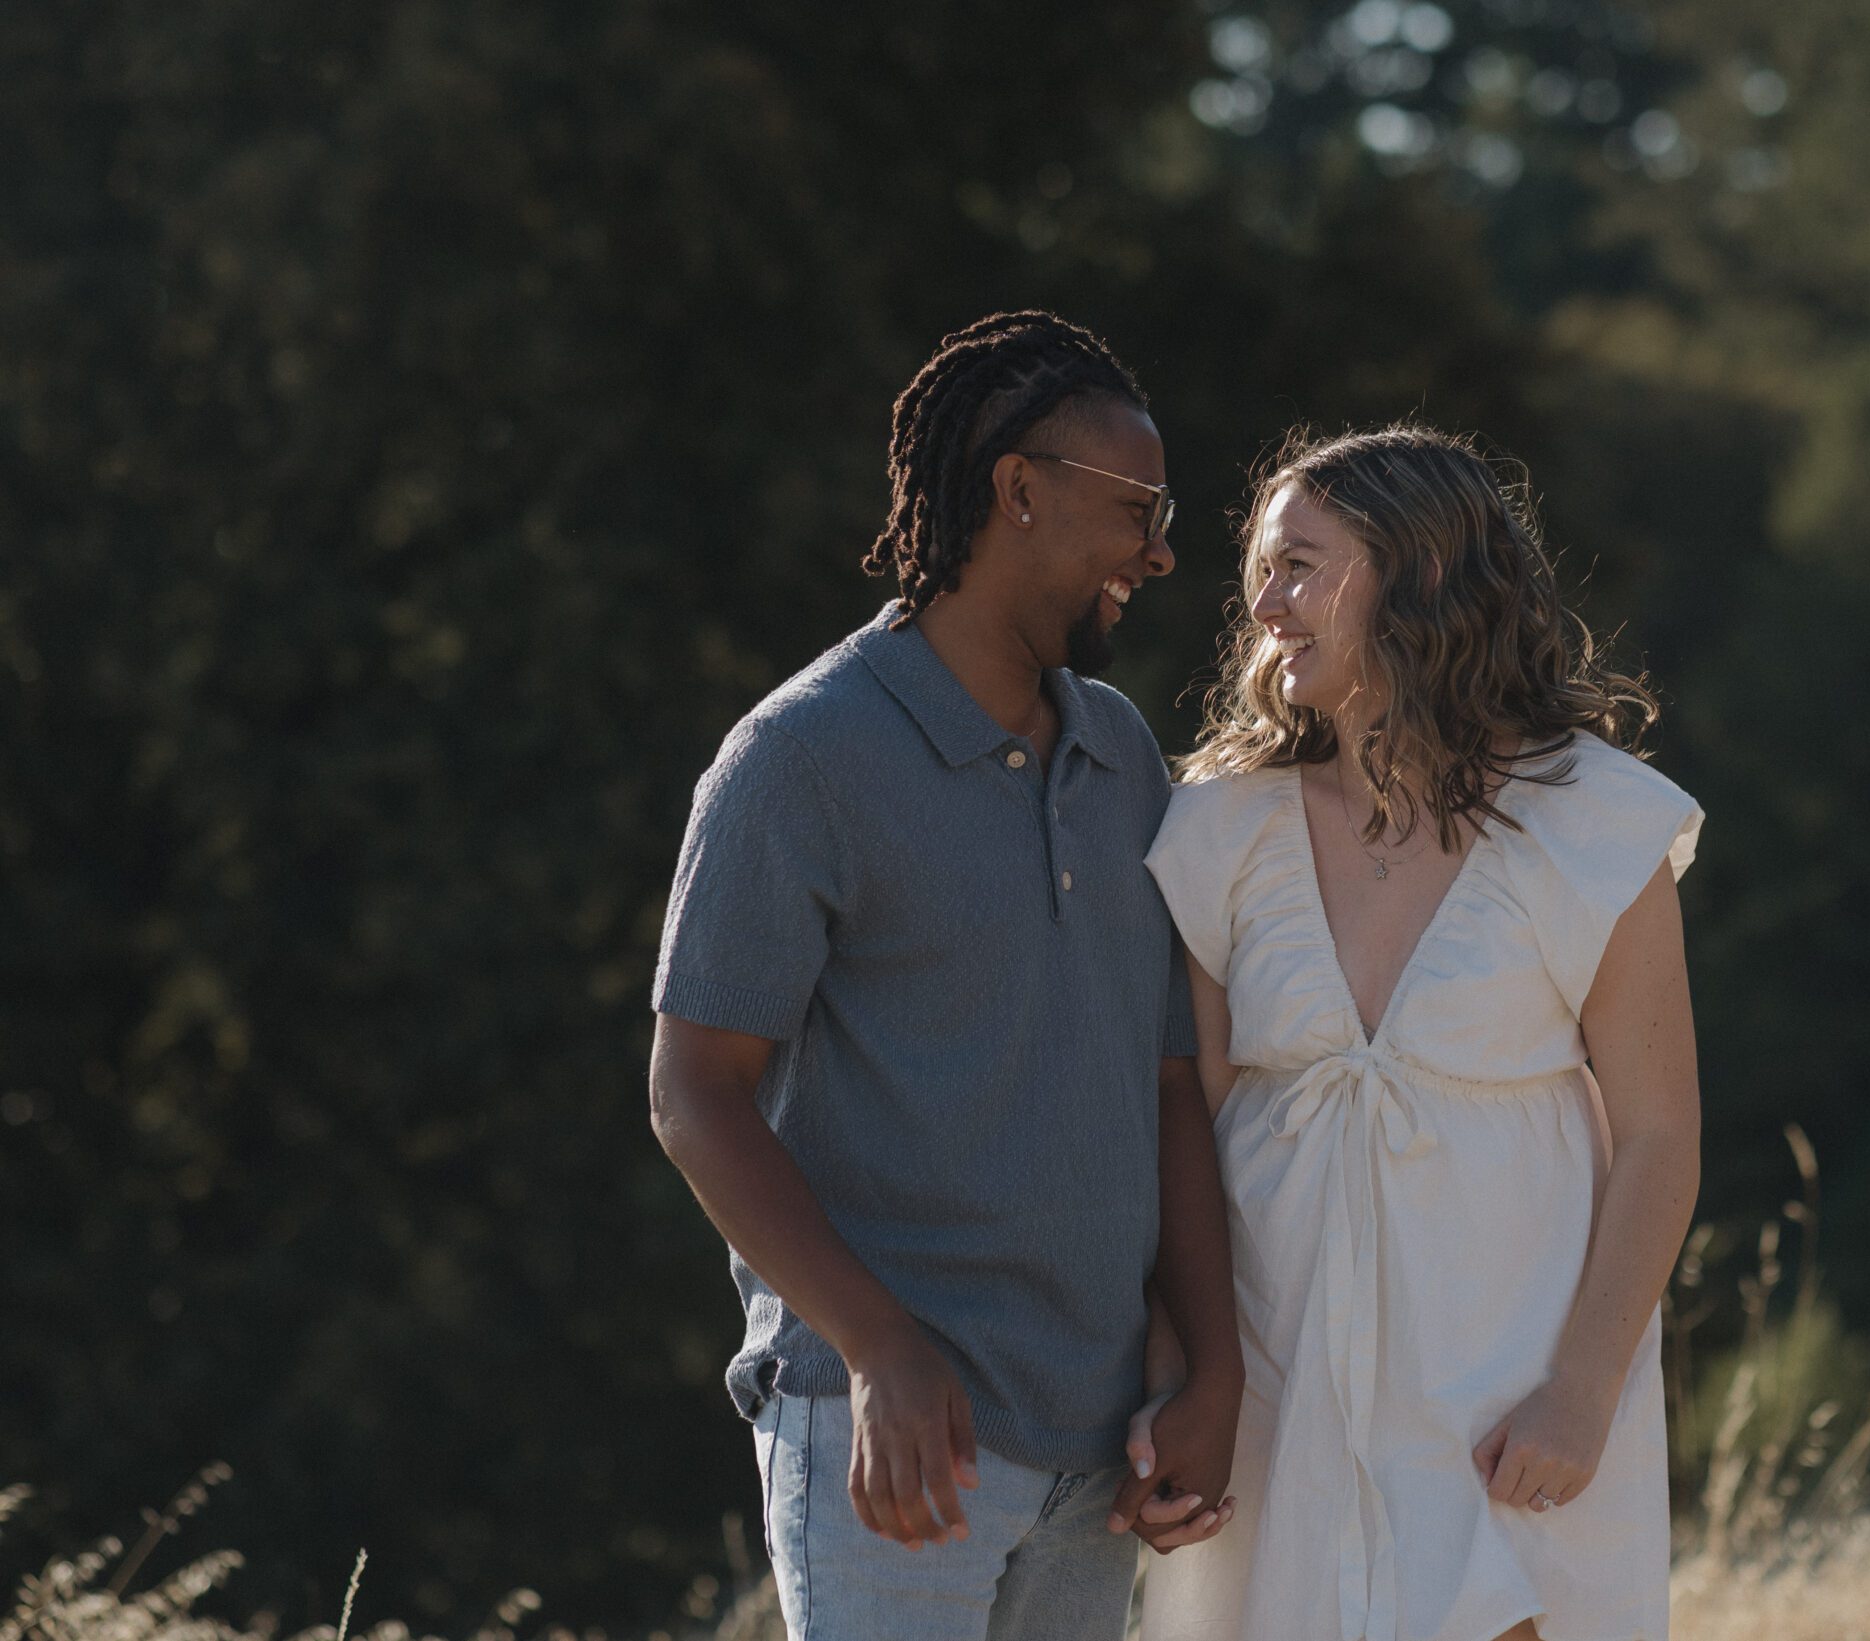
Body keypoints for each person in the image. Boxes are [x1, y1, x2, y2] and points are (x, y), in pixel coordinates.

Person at [646, 311, 1242, 1641]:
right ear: (1018, 492)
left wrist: (1214, 1366)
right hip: (899, 1438)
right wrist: (878, 1347)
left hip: (1101, 1445)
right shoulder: (802, 758)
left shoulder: (1124, 753)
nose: (1160, 549)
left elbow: (1169, 1090)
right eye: (1136, 507)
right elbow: (694, 1093)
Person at [1140, 424, 1703, 1641]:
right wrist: (1171, 1374)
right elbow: (1181, 1127)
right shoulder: (1217, 831)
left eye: (1300, 565)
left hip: (1505, 1397)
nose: (1263, 602)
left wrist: (1583, 1390)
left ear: (1416, 573)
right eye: (1263, 569)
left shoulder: (1593, 825)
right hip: (1278, 1391)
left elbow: (1660, 1135)